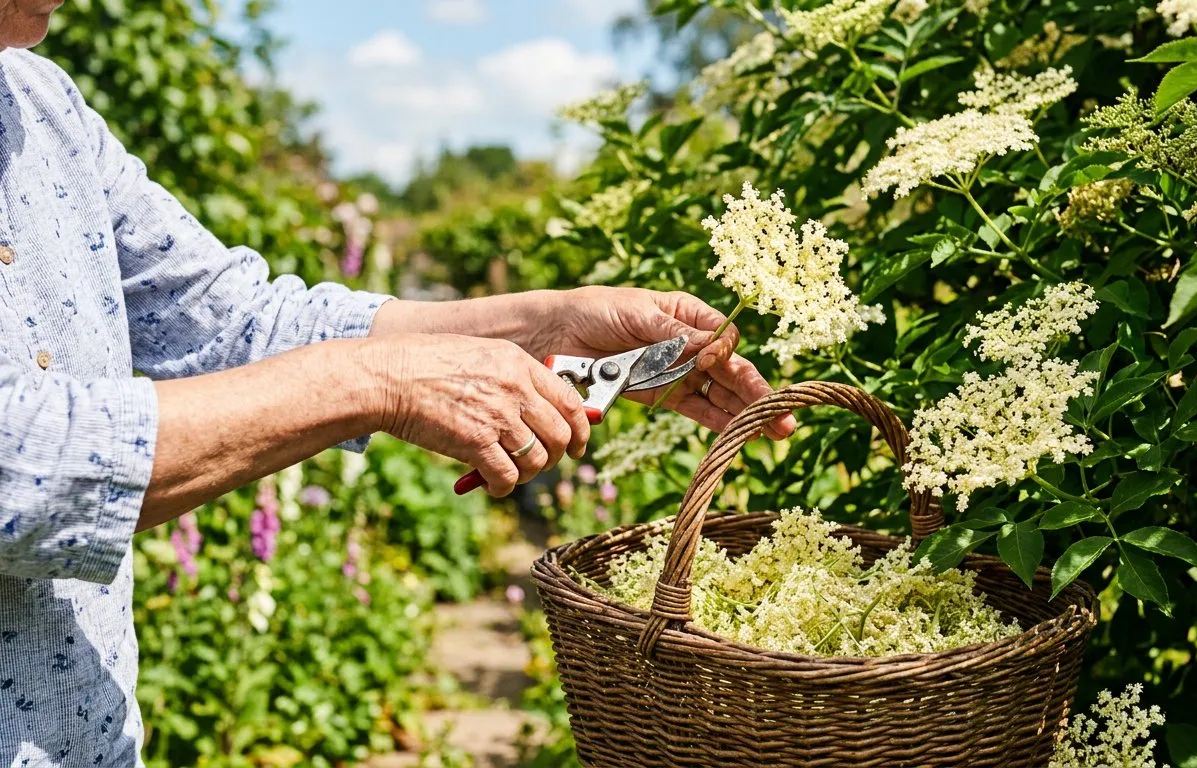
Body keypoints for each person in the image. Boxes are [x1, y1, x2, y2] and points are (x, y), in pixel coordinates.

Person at [0, 1, 797, 764]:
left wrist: (548, 326)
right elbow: (22, 465)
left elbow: (229, 321)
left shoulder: (45, 106)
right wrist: (377, 382)